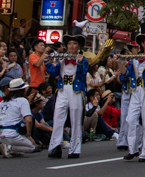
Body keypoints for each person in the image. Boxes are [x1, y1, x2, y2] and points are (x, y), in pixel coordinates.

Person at [45, 26, 112, 159]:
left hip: (76, 90)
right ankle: (55, 147)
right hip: (63, 89)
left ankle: (75, 148)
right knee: (58, 116)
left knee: (76, 118)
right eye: (69, 43)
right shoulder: (63, 58)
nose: (71, 46)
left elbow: (82, 73)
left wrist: (80, 63)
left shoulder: (84, 60)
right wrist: (47, 61)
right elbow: (53, 72)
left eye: (74, 43)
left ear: (79, 45)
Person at [116, 23, 145, 162]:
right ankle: (133, 148)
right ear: (142, 43)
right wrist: (119, 63)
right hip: (136, 91)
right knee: (130, 119)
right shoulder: (134, 59)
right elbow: (126, 75)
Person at [0, 78, 39, 157]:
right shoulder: (22, 100)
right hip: (11, 133)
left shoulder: (3, 101)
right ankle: (10, 148)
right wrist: (28, 135)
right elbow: (29, 120)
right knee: (32, 147)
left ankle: (8, 147)